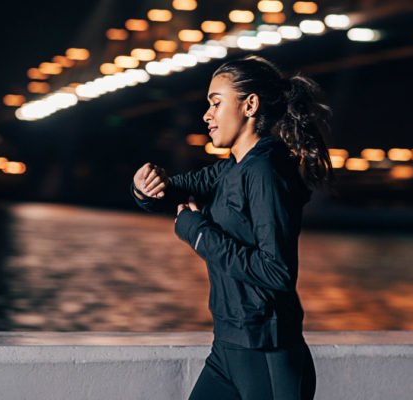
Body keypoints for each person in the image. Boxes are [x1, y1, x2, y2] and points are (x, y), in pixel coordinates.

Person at [131, 55, 333, 399]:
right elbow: (171, 189)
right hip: (228, 347)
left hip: (266, 350)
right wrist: (143, 188)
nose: (206, 115)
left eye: (216, 103)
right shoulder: (231, 170)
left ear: (250, 105)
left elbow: (278, 271)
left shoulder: (266, 173)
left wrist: (198, 233)